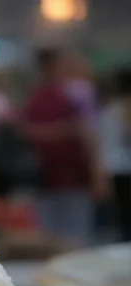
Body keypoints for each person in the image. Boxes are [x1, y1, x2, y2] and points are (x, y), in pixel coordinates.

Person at [22, 48, 108, 248]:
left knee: (75, 234)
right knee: (50, 234)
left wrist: (98, 174)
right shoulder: (40, 95)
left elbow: (90, 136)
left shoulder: (77, 92)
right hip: (46, 175)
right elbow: (27, 130)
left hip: (73, 175)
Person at [99, 68, 131, 241]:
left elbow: (106, 146)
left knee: (125, 220)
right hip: (120, 170)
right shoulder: (114, 112)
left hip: (119, 169)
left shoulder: (112, 111)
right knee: (124, 219)